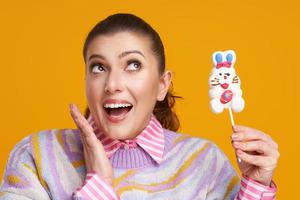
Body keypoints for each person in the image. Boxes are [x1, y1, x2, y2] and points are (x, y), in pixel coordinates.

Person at [0, 13, 279, 200]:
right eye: (99, 67)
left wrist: (256, 186)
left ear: (162, 84)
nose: (112, 84)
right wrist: (98, 184)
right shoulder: (37, 156)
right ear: (86, 79)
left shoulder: (205, 162)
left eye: (133, 65)